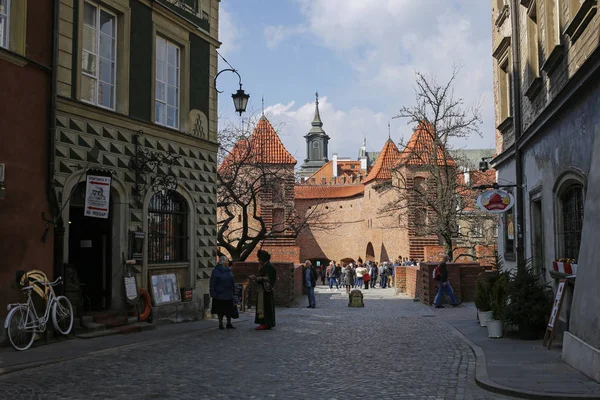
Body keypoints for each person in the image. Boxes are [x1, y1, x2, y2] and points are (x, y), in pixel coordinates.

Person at [250, 250, 277, 330]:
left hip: (265, 290)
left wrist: (257, 278)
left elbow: (269, 279)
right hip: (262, 290)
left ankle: (264, 323)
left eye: (259, 259)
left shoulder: (268, 267)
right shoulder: (266, 266)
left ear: (263, 259)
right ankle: (267, 323)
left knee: (264, 306)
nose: (258, 260)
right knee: (265, 306)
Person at [209, 256, 236, 330]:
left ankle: (229, 323)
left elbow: (232, 281)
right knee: (220, 310)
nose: (228, 262)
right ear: (223, 262)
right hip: (219, 294)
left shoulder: (229, 270)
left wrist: (233, 291)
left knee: (229, 310)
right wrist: (213, 292)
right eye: (226, 261)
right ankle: (220, 324)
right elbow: (212, 283)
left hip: (228, 293)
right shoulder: (216, 271)